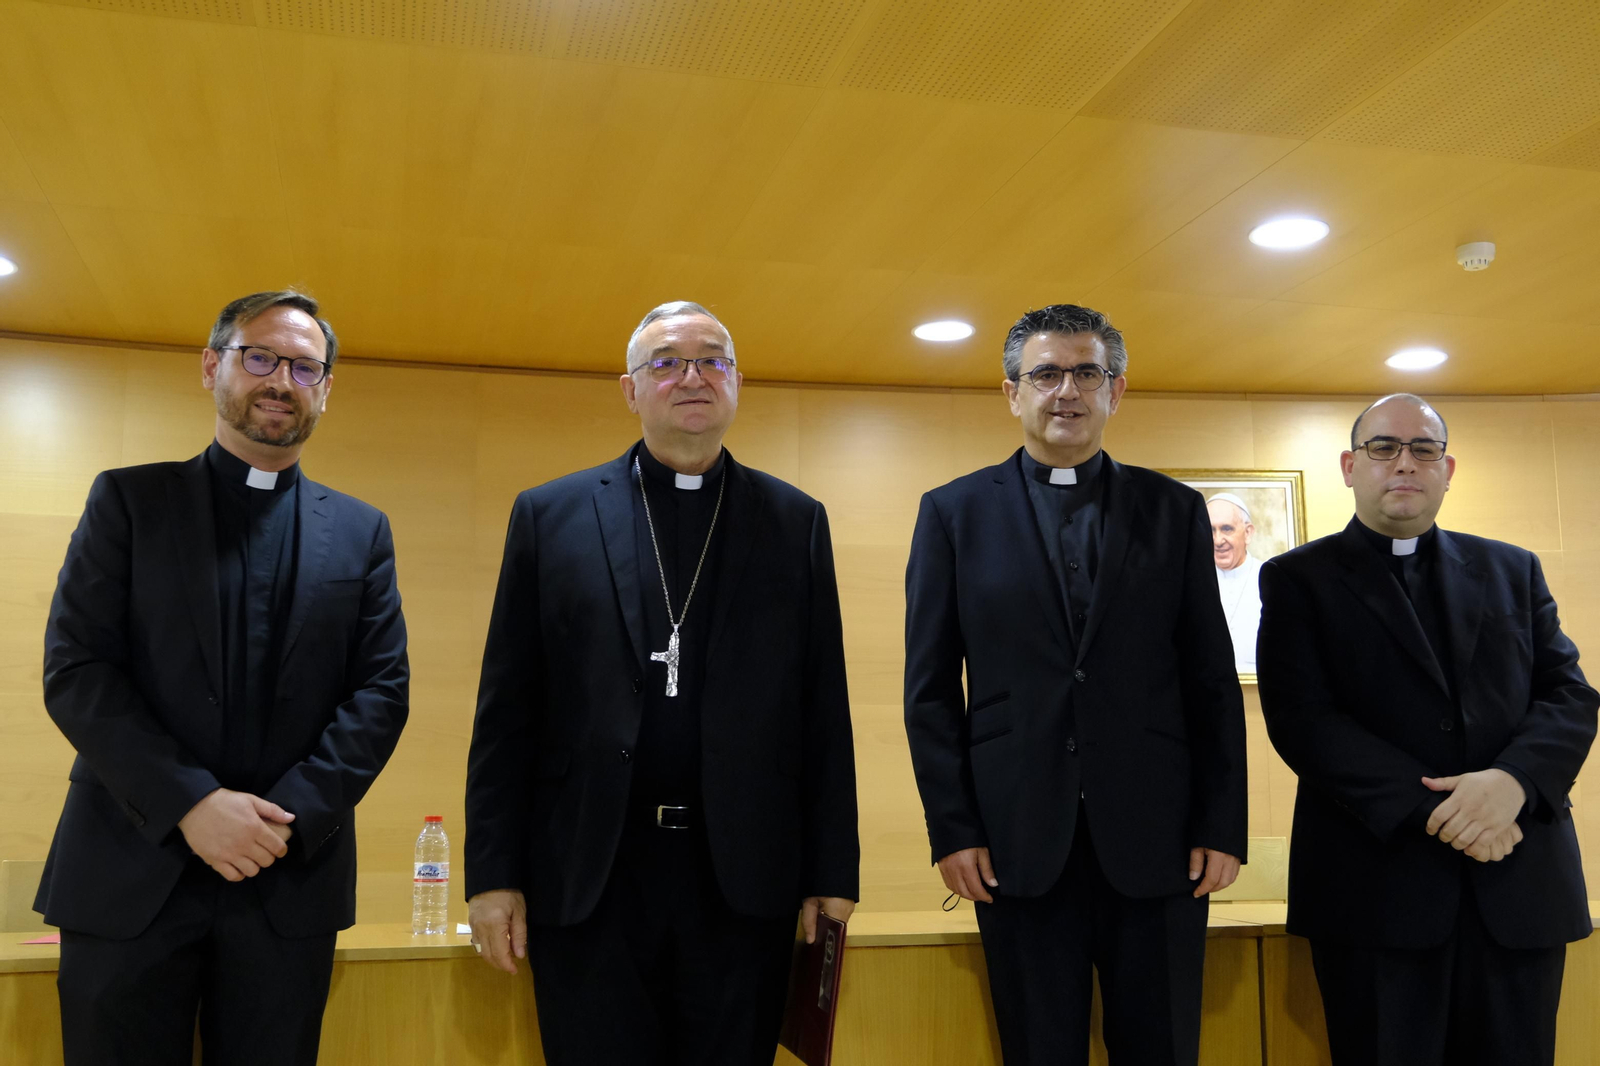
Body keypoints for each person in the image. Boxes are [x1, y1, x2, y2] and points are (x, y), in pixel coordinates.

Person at [465, 300, 859, 1066]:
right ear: (630, 388)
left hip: (742, 880)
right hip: (590, 876)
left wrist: (831, 873)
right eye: (668, 362)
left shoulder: (794, 520)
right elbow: (506, 712)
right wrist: (493, 876)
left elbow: (824, 711)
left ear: (737, 383)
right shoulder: (551, 515)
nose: (693, 376)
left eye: (713, 360)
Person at [36, 290, 411, 1065]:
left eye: (306, 367)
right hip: (130, 872)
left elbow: (380, 694)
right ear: (213, 367)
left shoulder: (363, 532)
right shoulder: (130, 501)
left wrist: (284, 820)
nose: (282, 380)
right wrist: (194, 805)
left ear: (326, 389)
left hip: (286, 879)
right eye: (261, 357)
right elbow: (78, 671)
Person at [904, 303, 1247, 1065]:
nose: (1067, 391)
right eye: (1047, 374)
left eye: (1086, 373)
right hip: (1014, 844)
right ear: (1012, 392)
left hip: (1160, 845)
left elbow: (1210, 679)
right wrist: (953, 828)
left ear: (1115, 391)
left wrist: (1223, 824)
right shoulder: (952, 514)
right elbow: (929, 690)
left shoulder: (1174, 510)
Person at [1256, 393, 1597, 1066]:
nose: (1404, 463)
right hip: (1377, 888)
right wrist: (1447, 811)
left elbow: (1569, 693)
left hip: (1517, 882)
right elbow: (1305, 722)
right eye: (1384, 448)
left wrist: (1513, 783)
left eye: (1423, 449)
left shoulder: (1512, 568)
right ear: (1352, 466)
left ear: (1448, 468)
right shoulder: (1298, 580)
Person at [1207, 493, 1263, 672]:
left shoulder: (1268, 577)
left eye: (1227, 529)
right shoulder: (1192, 581)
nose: (1218, 540)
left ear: (1248, 533)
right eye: (1210, 530)